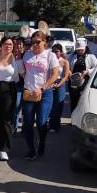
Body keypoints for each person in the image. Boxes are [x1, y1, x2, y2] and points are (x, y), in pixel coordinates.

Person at [18, 30, 60, 160]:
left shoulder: (50, 56)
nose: (35, 44)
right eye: (33, 42)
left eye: (38, 42)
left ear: (44, 42)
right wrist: (27, 82)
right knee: (27, 123)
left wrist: (42, 87)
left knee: (41, 122)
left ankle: (42, 142)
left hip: (45, 93)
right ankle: (31, 149)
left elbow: (54, 75)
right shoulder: (27, 55)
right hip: (29, 93)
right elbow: (23, 71)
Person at [0, 37, 22, 161]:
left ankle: (4, 149)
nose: (8, 46)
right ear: (1, 46)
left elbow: (21, 75)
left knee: (6, 120)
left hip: (9, 89)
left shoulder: (16, 60)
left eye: (11, 44)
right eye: (6, 44)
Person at [68, 38, 97, 111]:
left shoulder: (91, 57)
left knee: (83, 101)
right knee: (74, 101)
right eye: (78, 50)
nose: (79, 51)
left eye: (81, 50)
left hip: (85, 81)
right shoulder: (71, 56)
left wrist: (87, 71)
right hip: (73, 81)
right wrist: (68, 71)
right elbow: (67, 66)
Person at [49, 43, 71, 132]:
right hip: (51, 82)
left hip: (60, 83)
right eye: (53, 51)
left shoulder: (65, 62)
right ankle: (51, 124)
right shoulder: (49, 61)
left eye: (57, 51)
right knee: (51, 105)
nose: (55, 53)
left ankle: (56, 125)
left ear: (61, 52)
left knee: (58, 105)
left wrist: (59, 85)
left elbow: (65, 76)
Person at [12, 36, 26, 134]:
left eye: (20, 44)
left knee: (25, 109)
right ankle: (14, 128)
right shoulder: (11, 55)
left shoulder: (27, 55)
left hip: (27, 85)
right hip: (15, 84)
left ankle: (25, 129)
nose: (18, 46)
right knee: (16, 107)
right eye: (16, 44)